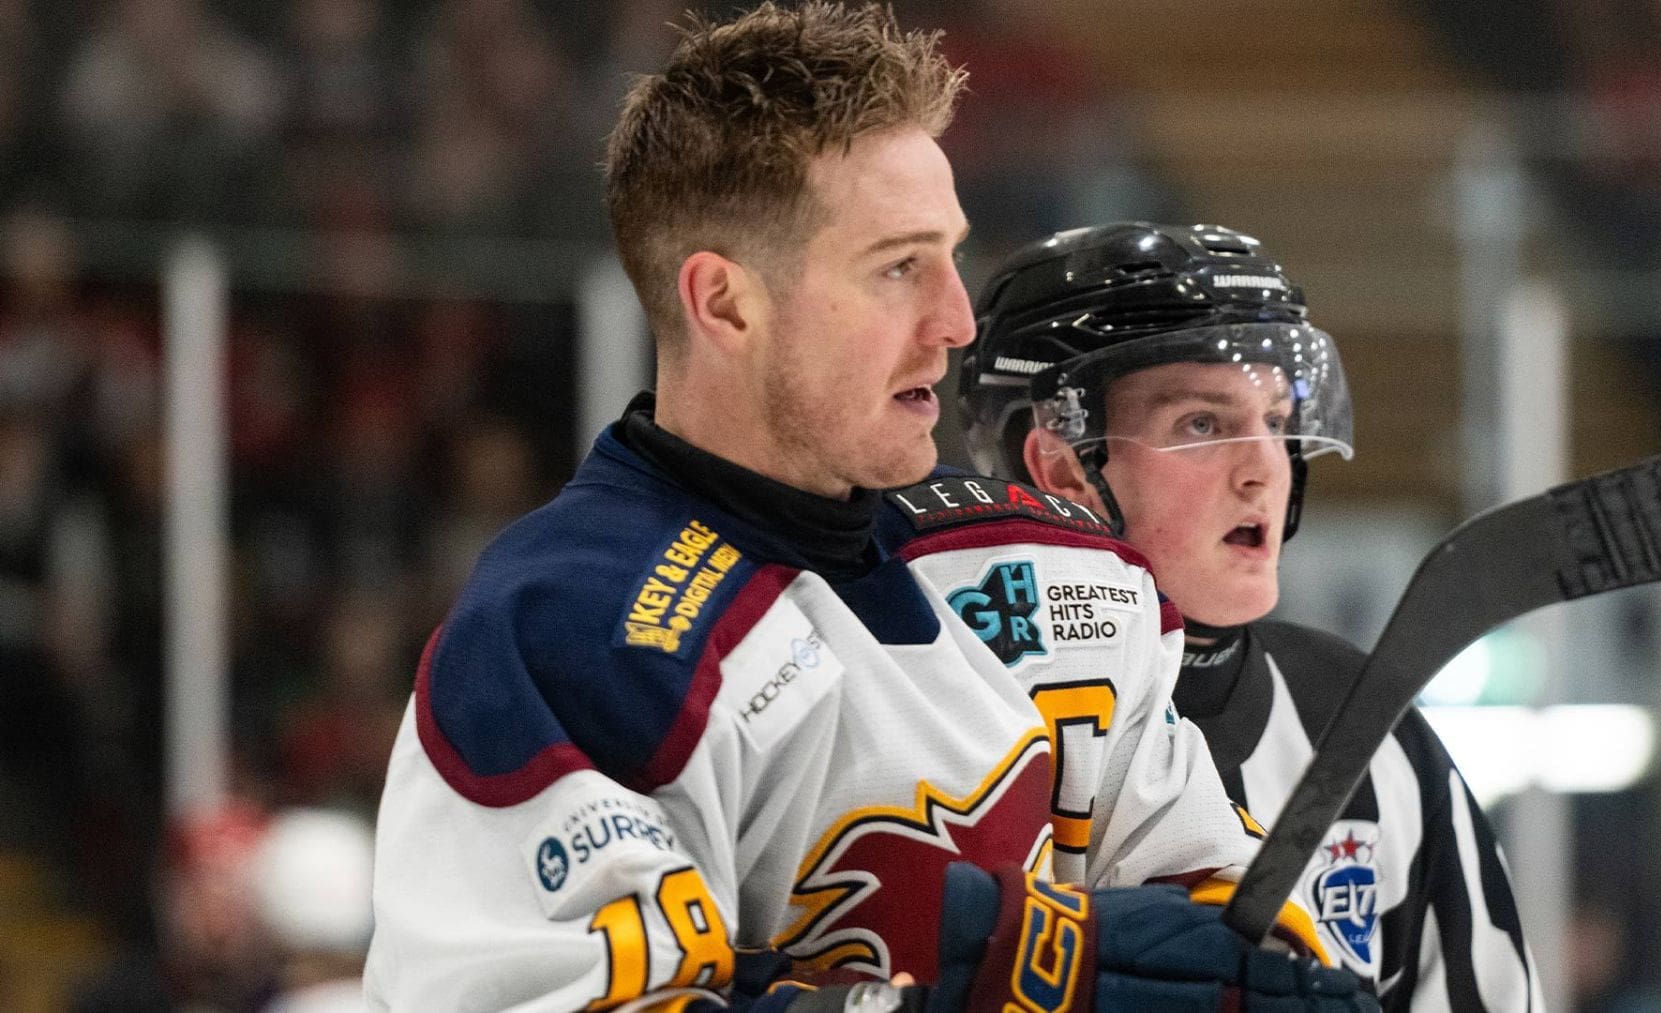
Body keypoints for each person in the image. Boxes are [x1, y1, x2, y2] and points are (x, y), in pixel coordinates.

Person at [366, 6, 1371, 1012]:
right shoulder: (572, 633)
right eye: (899, 267)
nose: (958, 320)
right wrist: (973, 988)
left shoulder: (1055, 579)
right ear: (726, 303)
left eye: (952, 255)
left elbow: (1241, 929)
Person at [960, 221, 1544, 1010]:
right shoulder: (942, 720)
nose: (1265, 469)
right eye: (1203, 424)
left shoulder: (1363, 727)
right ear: (1061, 467)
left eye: (1274, 420)